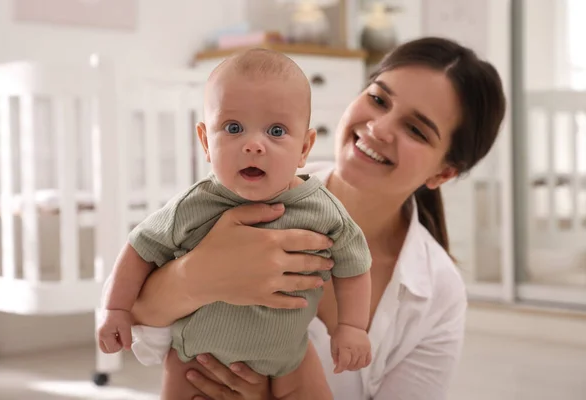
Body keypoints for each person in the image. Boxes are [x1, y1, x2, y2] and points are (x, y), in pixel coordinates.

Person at [126, 36, 506, 400]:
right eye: (378, 99)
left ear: (442, 174)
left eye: (415, 130)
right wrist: (196, 278)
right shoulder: (230, 195)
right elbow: (126, 322)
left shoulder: (438, 292)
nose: (379, 127)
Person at [98, 48, 373, 400]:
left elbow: (355, 265)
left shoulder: (323, 211)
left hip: (290, 358)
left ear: (304, 148)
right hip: (196, 357)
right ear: (205, 142)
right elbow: (140, 247)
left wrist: (351, 327)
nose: (254, 145)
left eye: (276, 130)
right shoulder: (194, 206)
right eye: (233, 128)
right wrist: (115, 308)